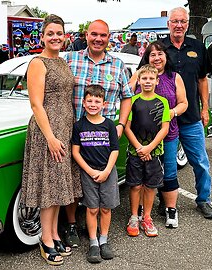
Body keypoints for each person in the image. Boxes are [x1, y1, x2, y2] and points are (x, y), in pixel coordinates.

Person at [64, 19, 133, 248]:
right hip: (75, 129)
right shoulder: (71, 60)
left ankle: (99, 233)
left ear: (108, 37)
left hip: (105, 131)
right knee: (74, 180)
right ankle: (72, 224)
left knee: (104, 176)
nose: (98, 39)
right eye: (94, 34)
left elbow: (126, 96)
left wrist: (121, 124)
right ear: (86, 35)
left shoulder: (117, 64)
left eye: (103, 35)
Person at [20, 14, 82, 266]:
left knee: (58, 186)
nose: (55, 37)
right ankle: (46, 240)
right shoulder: (37, 63)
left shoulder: (64, 62)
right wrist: (50, 138)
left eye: (59, 33)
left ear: (64, 36)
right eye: (50, 33)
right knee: (49, 186)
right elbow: (36, 104)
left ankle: (55, 234)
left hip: (64, 129)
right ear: (43, 37)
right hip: (48, 131)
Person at [160, 7, 212, 219]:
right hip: (165, 119)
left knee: (200, 162)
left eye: (182, 21)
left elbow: (203, 80)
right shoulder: (159, 48)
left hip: (191, 116)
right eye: (175, 21)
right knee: (166, 164)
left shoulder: (198, 47)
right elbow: (144, 75)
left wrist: (205, 108)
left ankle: (204, 199)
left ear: (187, 23)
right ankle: (164, 202)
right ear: (168, 24)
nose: (179, 25)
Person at [129, 40, 188, 228]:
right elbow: (126, 96)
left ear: (165, 56)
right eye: (152, 54)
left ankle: (170, 209)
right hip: (139, 137)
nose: (157, 57)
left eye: (160, 53)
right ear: (147, 57)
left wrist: (171, 112)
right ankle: (138, 213)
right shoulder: (139, 74)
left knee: (168, 172)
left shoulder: (174, 77)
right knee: (141, 176)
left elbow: (184, 103)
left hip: (167, 134)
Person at [71, 85, 119, 263]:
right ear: (83, 103)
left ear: (104, 104)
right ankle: (93, 243)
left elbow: (115, 150)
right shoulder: (79, 126)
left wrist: (106, 171)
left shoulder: (109, 125)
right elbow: (75, 152)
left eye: (97, 101)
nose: (93, 104)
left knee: (106, 208)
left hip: (108, 171)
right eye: (89, 101)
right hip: (88, 172)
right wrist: (90, 171)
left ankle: (104, 240)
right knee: (92, 208)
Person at [124, 64, 170, 237]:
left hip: (154, 152)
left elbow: (164, 128)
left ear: (157, 81)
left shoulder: (162, 102)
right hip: (136, 151)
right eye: (144, 78)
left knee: (150, 187)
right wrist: (139, 148)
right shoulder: (133, 101)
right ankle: (134, 216)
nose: (148, 81)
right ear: (139, 81)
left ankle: (147, 217)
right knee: (135, 185)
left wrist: (149, 148)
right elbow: (127, 127)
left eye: (151, 78)